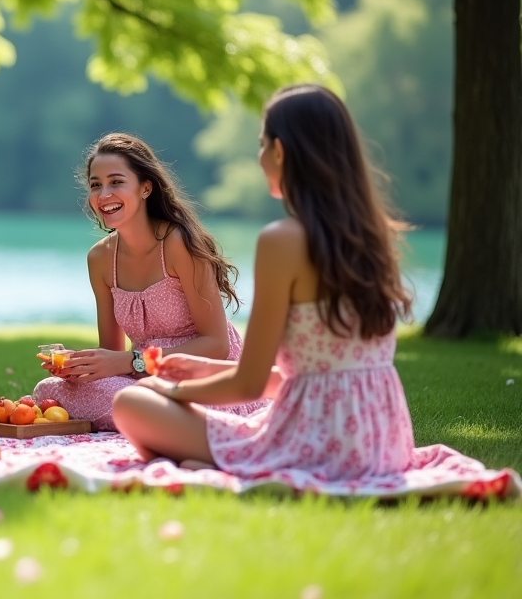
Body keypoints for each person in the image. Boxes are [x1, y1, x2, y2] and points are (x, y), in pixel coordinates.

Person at [112, 84, 442, 479]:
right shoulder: (374, 237)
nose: (261, 155)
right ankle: (205, 458)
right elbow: (316, 377)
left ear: (281, 151)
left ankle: (220, 460)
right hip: (382, 442)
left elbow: (249, 384)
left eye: (263, 144)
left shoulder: (281, 241)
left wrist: (171, 392)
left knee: (132, 403)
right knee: (151, 401)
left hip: (317, 443)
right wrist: (203, 370)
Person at [32, 133, 267, 430]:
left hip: (206, 377)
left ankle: (165, 418)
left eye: (116, 182)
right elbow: (113, 353)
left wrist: (131, 362)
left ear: (145, 188)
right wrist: (83, 369)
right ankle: (159, 418)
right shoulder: (101, 260)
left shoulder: (179, 244)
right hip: (146, 382)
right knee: (48, 389)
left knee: (161, 402)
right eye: (95, 185)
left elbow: (216, 345)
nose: (104, 194)